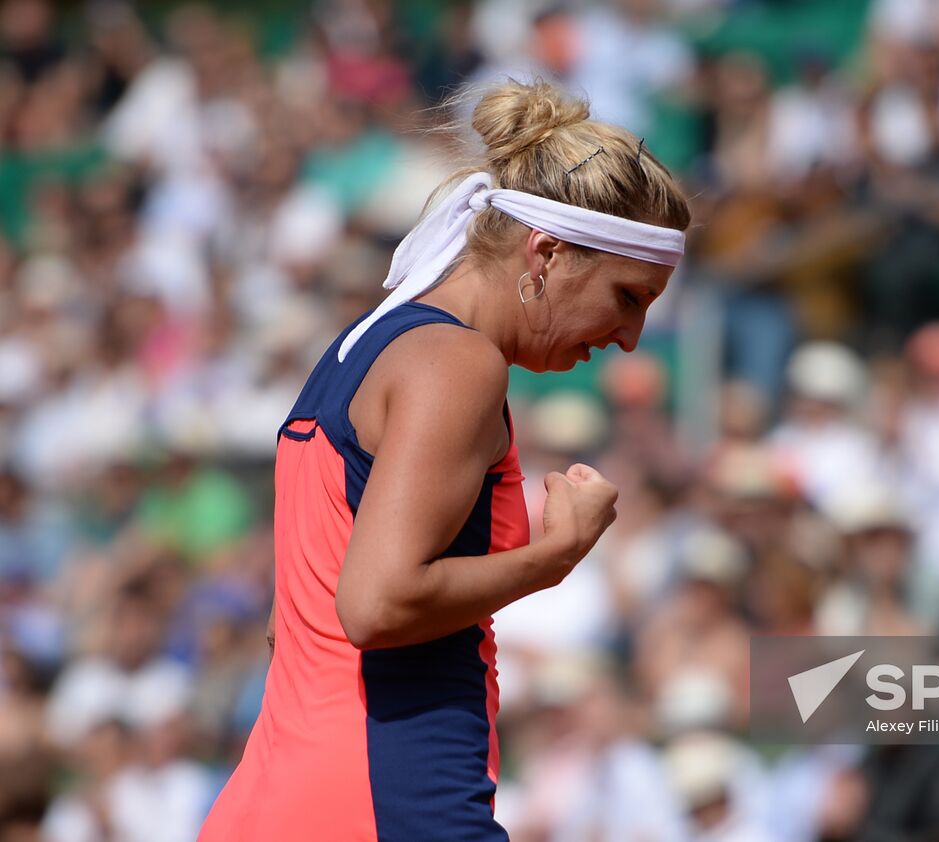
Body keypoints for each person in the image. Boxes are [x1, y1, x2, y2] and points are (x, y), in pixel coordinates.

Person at [197, 79, 690, 842]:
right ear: (547, 253)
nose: (630, 337)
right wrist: (553, 556)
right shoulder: (457, 364)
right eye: (627, 297)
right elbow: (376, 605)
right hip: (390, 794)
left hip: (283, 790)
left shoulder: (368, 342)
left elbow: (291, 622)